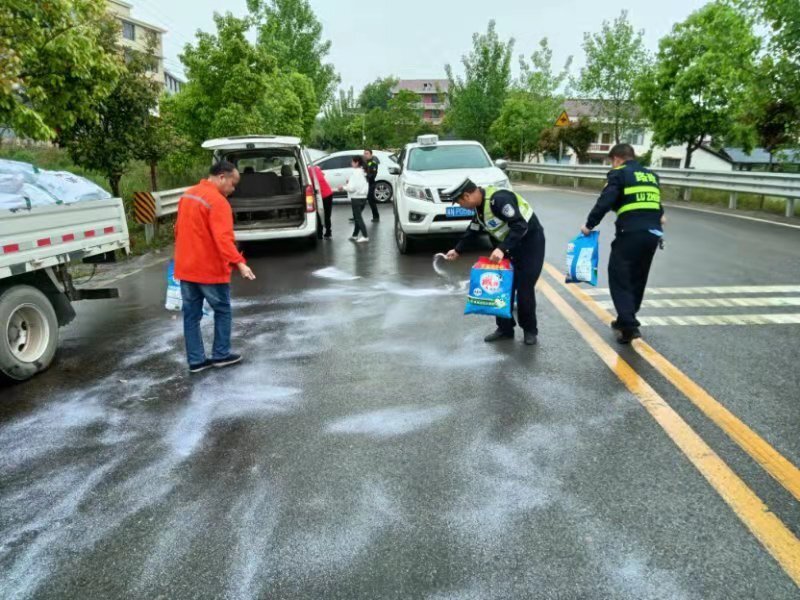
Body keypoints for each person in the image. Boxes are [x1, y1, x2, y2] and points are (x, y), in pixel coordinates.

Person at [174, 161, 256, 373]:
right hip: (209, 270)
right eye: (232, 183)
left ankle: (196, 361)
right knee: (222, 310)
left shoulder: (188, 195)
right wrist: (239, 262)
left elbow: (177, 231)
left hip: (186, 268)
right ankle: (220, 354)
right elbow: (223, 239)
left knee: (191, 316)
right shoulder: (218, 202)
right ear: (222, 177)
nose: (233, 188)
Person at [444, 179, 546, 346]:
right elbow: (474, 229)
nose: (461, 206)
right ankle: (505, 330)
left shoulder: (499, 200)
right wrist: (458, 249)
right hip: (509, 246)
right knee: (500, 288)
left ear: (467, 195)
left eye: (460, 202)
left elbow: (520, 225)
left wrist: (502, 248)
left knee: (524, 289)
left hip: (530, 244)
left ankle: (529, 330)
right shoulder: (479, 208)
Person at [581, 143, 665, 344]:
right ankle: (625, 318)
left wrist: (589, 225)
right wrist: (659, 216)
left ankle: (629, 325)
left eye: (612, 162)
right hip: (653, 233)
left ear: (617, 159)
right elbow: (655, 203)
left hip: (630, 233)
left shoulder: (618, 173)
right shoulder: (651, 175)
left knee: (619, 275)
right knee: (638, 276)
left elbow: (605, 201)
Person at [340, 156, 370, 243]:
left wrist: (343, 187)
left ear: (357, 163)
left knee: (358, 217)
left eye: (352, 162)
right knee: (358, 217)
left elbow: (352, 188)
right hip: (363, 197)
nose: (351, 163)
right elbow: (360, 184)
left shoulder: (355, 172)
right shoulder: (363, 171)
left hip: (356, 198)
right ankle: (355, 235)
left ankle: (365, 236)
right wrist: (349, 183)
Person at [309, 163, 334, 239]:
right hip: (329, 192)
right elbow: (323, 174)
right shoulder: (315, 167)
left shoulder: (308, 173)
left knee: (319, 214)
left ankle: (319, 234)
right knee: (327, 214)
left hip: (321, 195)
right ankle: (328, 232)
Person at [363, 149, 381, 222]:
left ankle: (376, 216)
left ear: (371, 154)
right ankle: (356, 216)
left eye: (367, 153)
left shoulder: (373, 163)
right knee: (361, 201)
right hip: (364, 185)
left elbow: (372, 175)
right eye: (364, 153)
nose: (365, 155)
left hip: (370, 184)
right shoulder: (365, 162)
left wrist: (364, 176)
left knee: (371, 201)